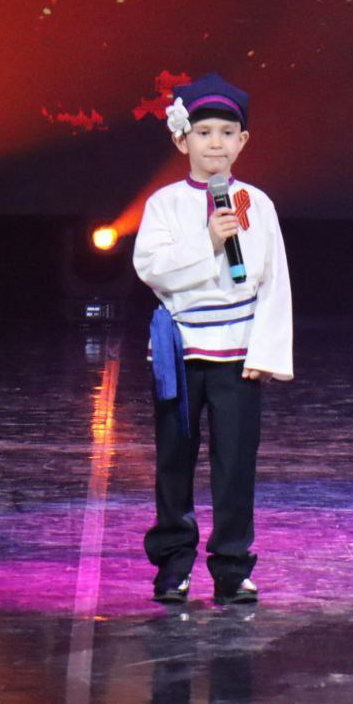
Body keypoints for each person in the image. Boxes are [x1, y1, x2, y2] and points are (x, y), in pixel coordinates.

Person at [133, 73, 293, 605]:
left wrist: (266, 352)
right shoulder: (164, 204)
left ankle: (231, 565)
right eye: (204, 133)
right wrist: (208, 243)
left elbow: (274, 281)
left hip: (237, 353)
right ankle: (173, 563)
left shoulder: (255, 203)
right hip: (180, 352)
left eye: (227, 133)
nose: (215, 143)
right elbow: (152, 268)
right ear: (183, 140)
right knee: (174, 460)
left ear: (243, 141)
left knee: (235, 464)